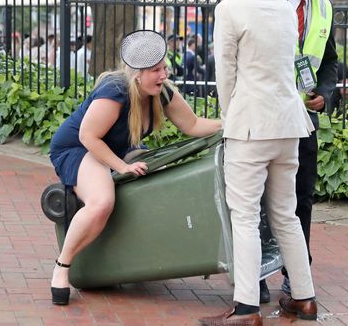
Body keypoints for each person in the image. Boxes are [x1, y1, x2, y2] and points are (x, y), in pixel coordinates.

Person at [48, 29, 221, 306]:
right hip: (79, 148)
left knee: (153, 180)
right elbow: (88, 136)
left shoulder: (161, 92)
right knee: (102, 201)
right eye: (156, 70)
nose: (163, 75)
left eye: (164, 67)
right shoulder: (115, 91)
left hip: (115, 148)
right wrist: (121, 167)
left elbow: (193, 125)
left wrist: (234, 124)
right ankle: (62, 266)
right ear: (137, 73)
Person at [199, 0, 317, 325]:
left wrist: (228, 118)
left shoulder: (230, 9)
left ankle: (247, 308)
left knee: (246, 216)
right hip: (290, 124)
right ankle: (304, 298)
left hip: (251, 126)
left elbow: (225, 74)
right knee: (286, 214)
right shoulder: (282, 4)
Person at [263, 0, 338, 300]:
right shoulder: (262, 1)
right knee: (260, 198)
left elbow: (330, 63)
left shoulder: (323, 8)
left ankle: (296, 270)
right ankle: (257, 272)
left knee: (301, 197)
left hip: (303, 119)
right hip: (265, 117)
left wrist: (324, 94)